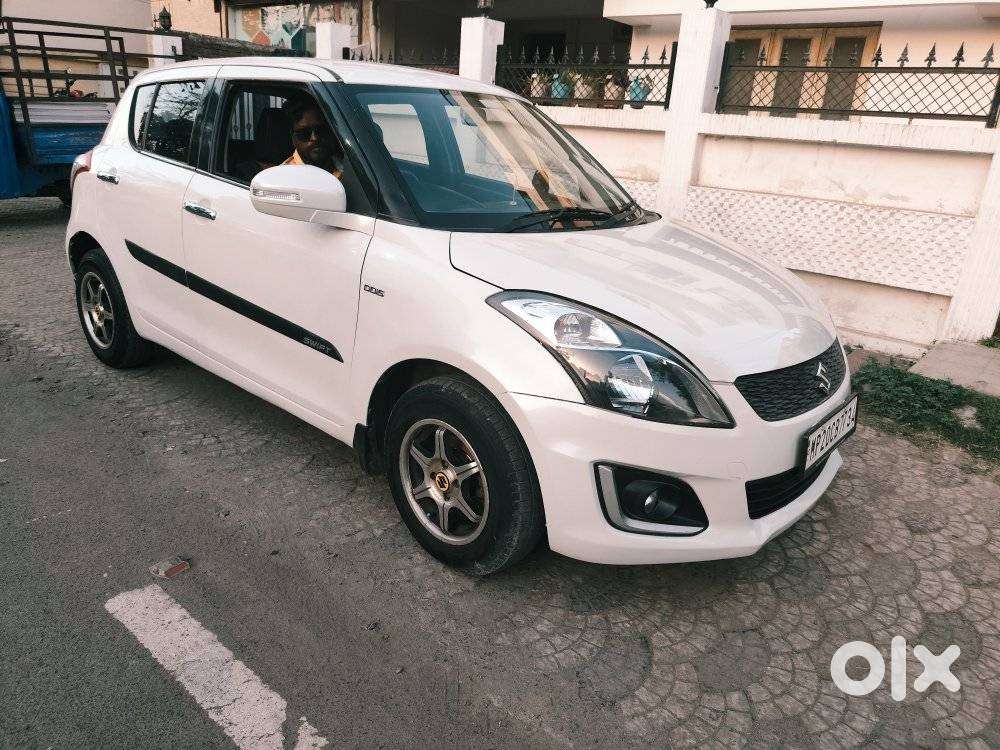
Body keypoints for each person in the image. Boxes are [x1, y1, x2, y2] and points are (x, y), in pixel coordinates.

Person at [283, 98, 343, 179]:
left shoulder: (353, 166)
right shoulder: (284, 179)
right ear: (292, 138)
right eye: (304, 133)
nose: (315, 138)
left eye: (321, 130)